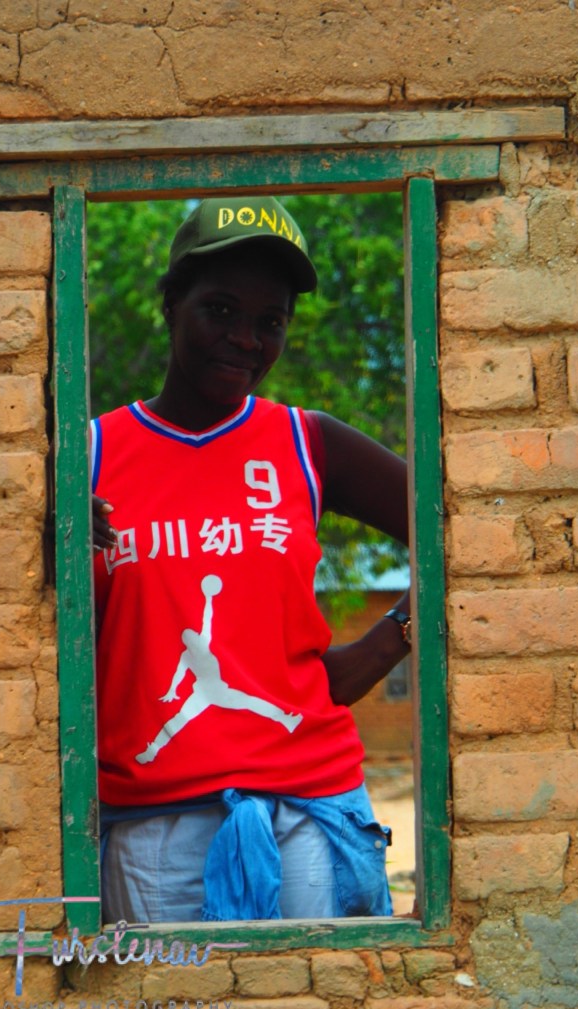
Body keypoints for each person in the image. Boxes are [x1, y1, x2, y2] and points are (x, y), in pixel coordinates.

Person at [89, 196, 411, 923]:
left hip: (308, 804)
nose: (245, 339)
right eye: (221, 310)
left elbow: (461, 522)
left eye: (271, 322)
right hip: (153, 822)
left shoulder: (307, 444)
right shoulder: (93, 455)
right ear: (171, 304)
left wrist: (385, 643)